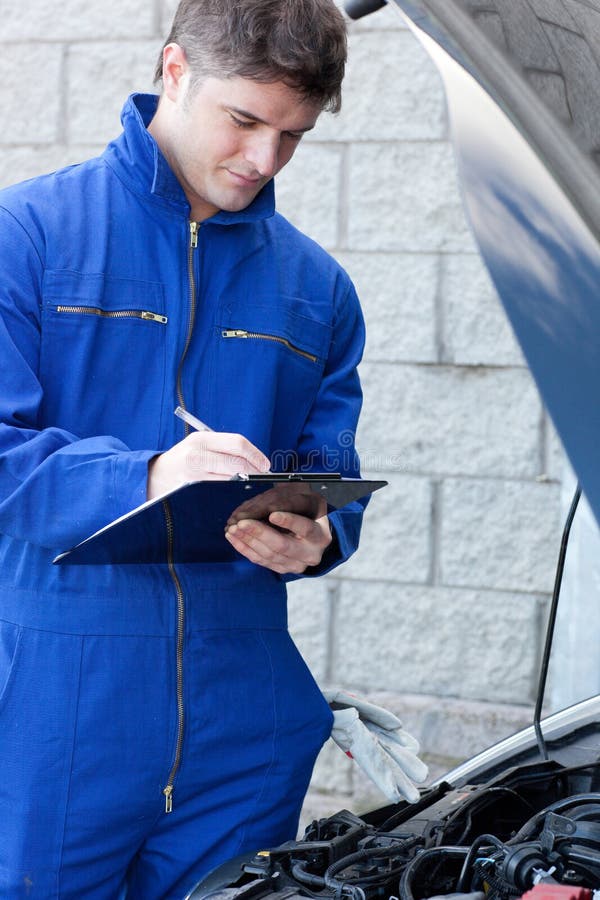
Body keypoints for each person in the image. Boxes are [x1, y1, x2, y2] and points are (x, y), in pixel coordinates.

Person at [0, 1, 424, 897]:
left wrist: (318, 537)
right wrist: (147, 475)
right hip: (52, 703)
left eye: (293, 135)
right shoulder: (26, 238)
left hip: (246, 716)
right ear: (175, 70)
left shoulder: (318, 289)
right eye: (245, 121)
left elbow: (327, 466)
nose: (264, 160)